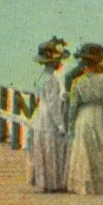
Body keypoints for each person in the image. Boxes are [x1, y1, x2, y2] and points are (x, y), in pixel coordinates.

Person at [63, 42, 103, 195]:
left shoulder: (78, 81)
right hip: (99, 112)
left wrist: (71, 125)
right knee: (99, 147)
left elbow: (73, 106)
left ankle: (84, 186)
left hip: (83, 115)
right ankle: (101, 186)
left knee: (83, 150)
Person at [28, 38, 70, 192]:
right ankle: (54, 184)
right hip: (49, 119)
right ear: (56, 63)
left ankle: (45, 183)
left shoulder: (41, 77)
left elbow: (41, 96)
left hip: (40, 115)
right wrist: (60, 125)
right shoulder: (54, 79)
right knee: (52, 150)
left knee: (43, 150)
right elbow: (54, 105)